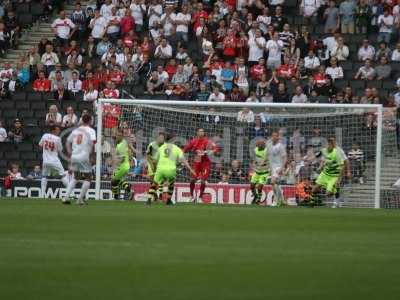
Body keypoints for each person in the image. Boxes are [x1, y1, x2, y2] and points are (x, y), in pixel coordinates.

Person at [63, 114, 96, 205]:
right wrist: (92, 156)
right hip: (84, 156)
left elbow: (68, 142)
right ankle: (80, 200)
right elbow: (92, 144)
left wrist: (70, 153)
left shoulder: (75, 130)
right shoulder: (91, 130)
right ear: (89, 121)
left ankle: (65, 198)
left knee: (76, 177)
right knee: (88, 178)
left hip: (74, 155)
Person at [154, 134, 195, 205]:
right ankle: (168, 200)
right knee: (171, 184)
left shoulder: (161, 147)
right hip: (170, 170)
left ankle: (152, 198)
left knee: (157, 183)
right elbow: (183, 160)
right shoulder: (176, 148)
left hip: (160, 169)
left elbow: (155, 160)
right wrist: (190, 169)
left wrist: (155, 167)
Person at [312, 137, 351, 207]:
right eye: (330, 141)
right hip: (326, 173)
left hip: (336, 172)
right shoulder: (326, 150)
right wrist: (320, 167)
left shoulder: (339, 151)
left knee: (336, 186)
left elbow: (346, 161)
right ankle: (316, 201)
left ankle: (336, 202)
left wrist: (348, 171)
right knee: (316, 189)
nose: (331, 142)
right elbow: (323, 159)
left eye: (333, 141)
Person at [183, 128, 218, 203]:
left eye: (202, 131)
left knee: (203, 181)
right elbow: (185, 149)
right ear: (197, 133)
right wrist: (183, 152)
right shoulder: (193, 141)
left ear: (204, 133)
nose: (201, 132)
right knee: (192, 180)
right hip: (196, 163)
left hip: (205, 164)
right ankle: (191, 196)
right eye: (200, 131)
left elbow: (216, 148)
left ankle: (200, 197)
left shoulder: (208, 141)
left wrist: (212, 151)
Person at [38, 126, 69, 198]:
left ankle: (42, 195)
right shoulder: (58, 139)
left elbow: (40, 145)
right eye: (57, 130)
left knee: (44, 176)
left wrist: (46, 151)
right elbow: (60, 150)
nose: (59, 131)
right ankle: (71, 193)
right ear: (53, 130)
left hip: (45, 160)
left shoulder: (45, 135)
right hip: (54, 160)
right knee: (63, 175)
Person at [111, 130, 135, 201]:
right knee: (119, 180)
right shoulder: (120, 144)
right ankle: (119, 195)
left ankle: (127, 192)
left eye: (118, 135)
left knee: (114, 180)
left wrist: (116, 163)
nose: (117, 136)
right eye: (116, 135)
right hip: (123, 166)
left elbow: (122, 158)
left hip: (122, 166)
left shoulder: (121, 145)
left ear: (121, 136)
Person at [266, 131, 287, 206]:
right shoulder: (269, 145)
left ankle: (275, 200)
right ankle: (282, 200)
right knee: (276, 184)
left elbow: (285, 158)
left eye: (275, 136)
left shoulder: (281, 146)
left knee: (272, 182)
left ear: (278, 137)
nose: (274, 137)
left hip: (278, 167)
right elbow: (268, 156)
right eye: (273, 136)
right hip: (272, 167)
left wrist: (282, 168)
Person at [146, 132, 166, 204]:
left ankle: (160, 196)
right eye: (160, 137)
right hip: (151, 163)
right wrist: (152, 165)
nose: (161, 139)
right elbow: (147, 156)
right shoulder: (152, 145)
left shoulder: (165, 146)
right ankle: (155, 196)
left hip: (159, 164)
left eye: (163, 138)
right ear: (157, 138)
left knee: (160, 180)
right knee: (153, 181)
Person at [250, 139, 269, 204]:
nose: (260, 146)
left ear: (264, 145)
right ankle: (255, 196)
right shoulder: (255, 150)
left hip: (264, 172)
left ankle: (258, 199)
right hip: (257, 172)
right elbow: (254, 159)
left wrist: (260, 164)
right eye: (258, 145)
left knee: (259, 187)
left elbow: (264, 161)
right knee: (252, 186)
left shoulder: (266, 151)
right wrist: (253, 163)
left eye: (261, 144)